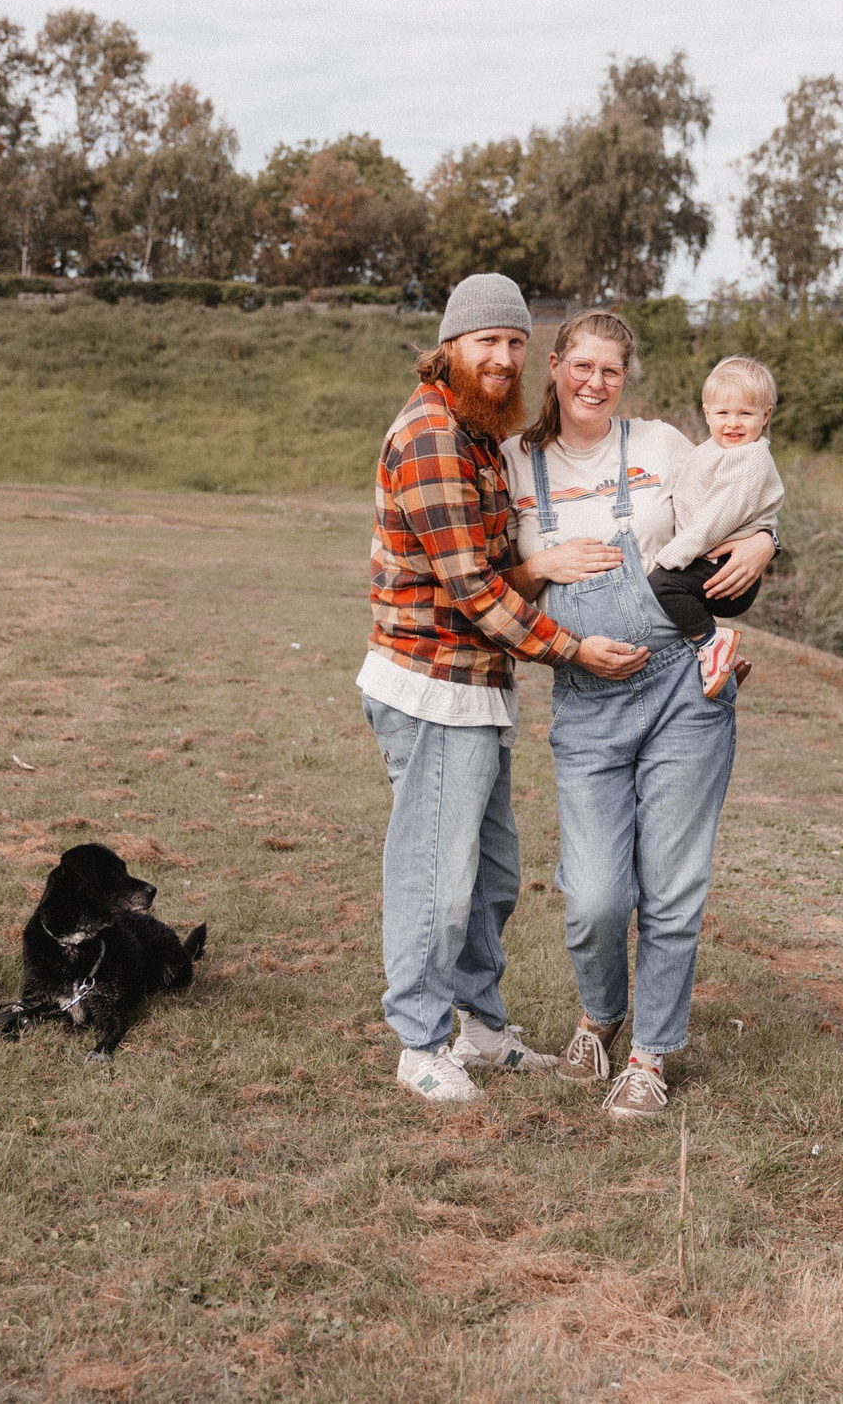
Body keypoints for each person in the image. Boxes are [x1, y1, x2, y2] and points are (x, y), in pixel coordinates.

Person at [360, 274, 650, 1105]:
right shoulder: (432, 437)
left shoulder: (480, 432)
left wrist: (545, 567)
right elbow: (475, 595)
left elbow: (492, 572)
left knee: (491, 875)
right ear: (451, 343)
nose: (503, 356)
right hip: (431, 689)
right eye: (488, 340)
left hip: (476, 686)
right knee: (435, 878)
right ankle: (419, 1043)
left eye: (516, 342)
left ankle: (481, 1028)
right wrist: (574, 649)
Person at [504, 311, 777, 1120]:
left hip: (681, 690)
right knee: (593, 896)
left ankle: (649, 1054)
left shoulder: (662, 445)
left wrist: (765, 538)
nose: (594, 382)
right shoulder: (516, 460)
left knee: (672, 884)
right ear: (553, 367)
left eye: (611, 371)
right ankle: (600, 1010)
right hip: (584, 693)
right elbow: (489, 585)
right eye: (580, 366)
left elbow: (743, 484)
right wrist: (541, 565)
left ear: (625, 378)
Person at [645, 355, 784, 699]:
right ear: (707, 413)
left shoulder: (751, 459)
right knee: (669, 593)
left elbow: (716, 518)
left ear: (765, 415)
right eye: (723, 414)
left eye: (746, 414)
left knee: (662, 584)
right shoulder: (709, 451)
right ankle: (723, 662)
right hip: (709, 563)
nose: (733, 423)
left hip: (731, 570)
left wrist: (669, 557)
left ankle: (714, 643)